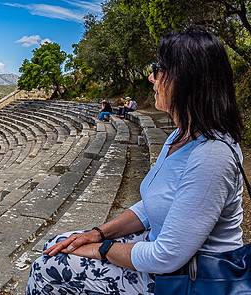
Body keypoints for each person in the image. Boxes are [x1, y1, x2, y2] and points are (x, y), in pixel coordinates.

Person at [28, 29, 247, 294]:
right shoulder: (180, 135)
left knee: (47, 268)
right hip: (170, 258)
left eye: (158, 69)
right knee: (60, 242)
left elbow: (166, 256)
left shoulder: (213, 156)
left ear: (185, 79)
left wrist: (102, 249)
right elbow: (152, 205)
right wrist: (98, 233)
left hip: (190, 277)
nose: (151, 77)